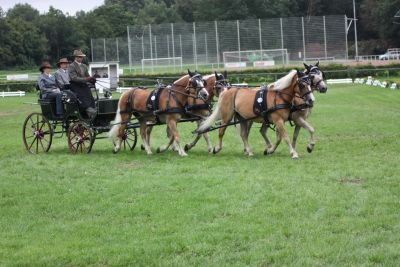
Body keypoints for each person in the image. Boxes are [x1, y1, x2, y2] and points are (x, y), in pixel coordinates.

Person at [68, 49, 96, 119]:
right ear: (76, 57)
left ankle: (92, 108)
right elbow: (73, 78)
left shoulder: (84, 66)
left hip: (83, 84)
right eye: (79, 57)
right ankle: (86, 108)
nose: (81, 58)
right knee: (81, 93)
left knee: (89, 93)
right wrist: (86, 79)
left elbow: (87, 76)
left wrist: (92, 80)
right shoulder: (72, 66)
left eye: (81, 57)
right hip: (75, 85)